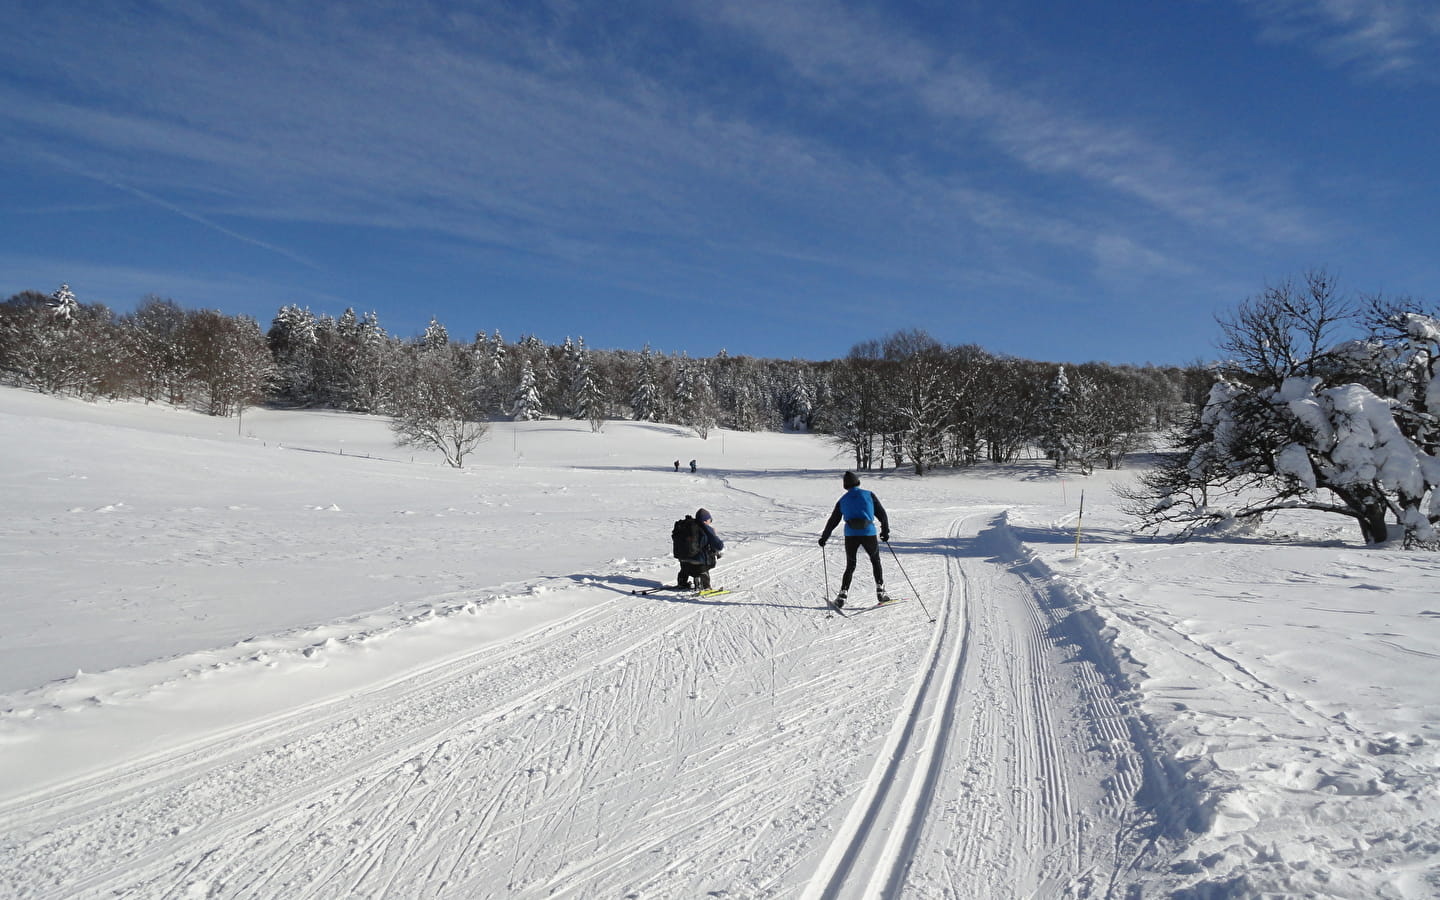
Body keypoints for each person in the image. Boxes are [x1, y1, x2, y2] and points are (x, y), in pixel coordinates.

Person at [818, 471, 891, 607]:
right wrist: (885, 531)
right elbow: (882, 514)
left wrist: (824, 537)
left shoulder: (842, 500)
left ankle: (843, 594)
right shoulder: (869, 495)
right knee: (875, 561)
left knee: (850, 565)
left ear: (845, 485)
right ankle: (880, 590)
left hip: (851, 534)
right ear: (858, 482)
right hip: (868, 533)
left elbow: (833, 520)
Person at [676, 508, 724, 590]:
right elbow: (719, 545)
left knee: (685, 567)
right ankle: (706, 586)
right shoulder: (706, 528)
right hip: (699, 561)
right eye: (710, 520)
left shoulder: (687, 526)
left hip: (683, 559)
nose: (710, 522)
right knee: (703, 568)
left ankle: (682, 581)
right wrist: (714, 535)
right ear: (705, 521)